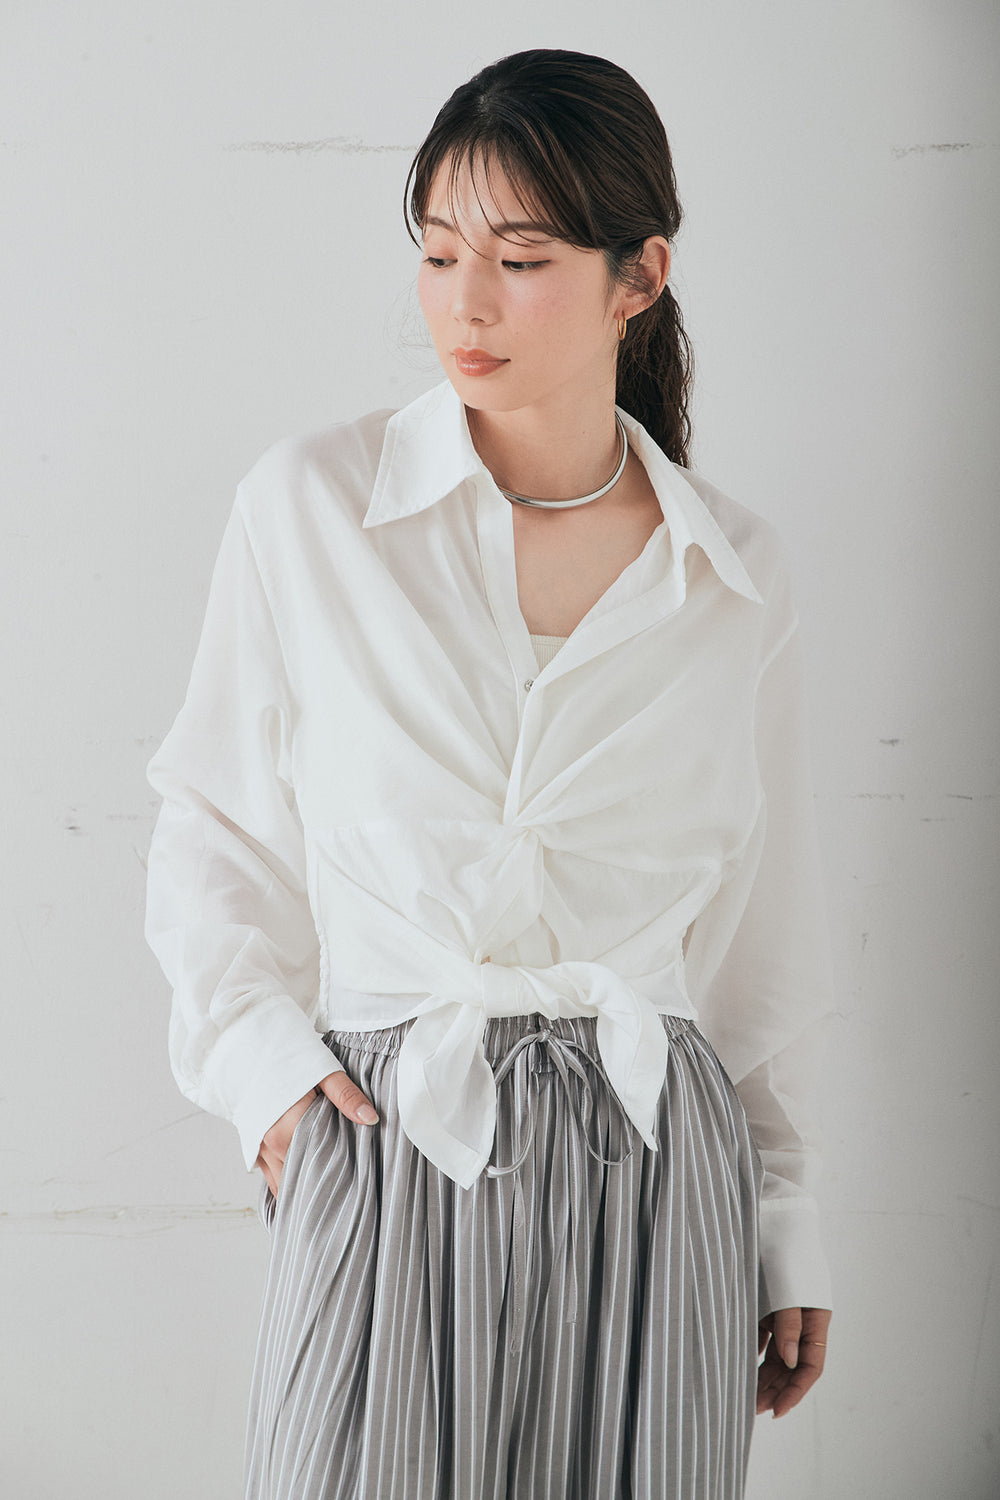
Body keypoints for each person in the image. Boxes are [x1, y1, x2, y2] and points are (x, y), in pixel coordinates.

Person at [144, 47, 834, 1500]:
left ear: (639, 277)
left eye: (520, 261)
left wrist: (785, 1216)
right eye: (438, 252)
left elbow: (760, 940)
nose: (465, 302)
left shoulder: (733, 575)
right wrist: (273, 1088)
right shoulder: (312, 508)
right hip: (389, 1138)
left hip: (656, 1173)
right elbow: (213, 831)